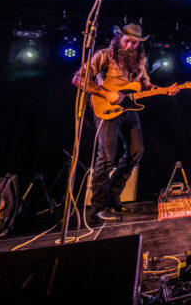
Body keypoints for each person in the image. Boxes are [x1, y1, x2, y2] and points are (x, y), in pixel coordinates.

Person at [72, 22, 178, 222]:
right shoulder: (104, 55)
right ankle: (97, 209)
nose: (130, 46)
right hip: (106, 109)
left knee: (136, 153)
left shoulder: (139, 61)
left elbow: (146, 86)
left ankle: (113, 198)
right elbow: (78, 78)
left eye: (135, 43)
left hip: (129, 110)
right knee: (106, 158)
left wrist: (165, 89)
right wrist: (106, 93)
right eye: (128, 41)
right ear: (119, 38)